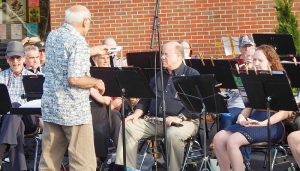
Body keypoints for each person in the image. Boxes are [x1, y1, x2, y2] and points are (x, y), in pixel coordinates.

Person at [39, 5, 107, 171]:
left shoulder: (53, 35)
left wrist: (93, 50)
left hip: (52, 107)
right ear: (85, 22)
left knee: (49, 163)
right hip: (74, 112)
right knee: (83, 164)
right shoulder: (78, 41)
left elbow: (65, 55)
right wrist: (96, 82)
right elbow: (75, 78)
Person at [114, 41, 200, 170]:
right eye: (162, 54)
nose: (162, 57)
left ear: (178, 55)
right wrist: (137, 113)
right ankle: (128, 168)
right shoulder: (159, 75)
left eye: (166, 54)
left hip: (185, 121)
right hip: (156, 121)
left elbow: (198, 104)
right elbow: (146, 99)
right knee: (127, 127)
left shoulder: (192, 74)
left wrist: (180, 117)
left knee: (173, 134)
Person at [214, 44, 292, 171]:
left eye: (260, 60)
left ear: (270, 62)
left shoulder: (281, 79)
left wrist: (263, 123)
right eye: (254, 59)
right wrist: (241, 116)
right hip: (254, 120)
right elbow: (249, 105)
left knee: (232, 141)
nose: (255, 63)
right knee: (218, 138)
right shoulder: (251, 78)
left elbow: (285, 113)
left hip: (273, 124)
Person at [0, 41, 41, 171]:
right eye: (12, 58)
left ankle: (0, 151)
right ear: (7, 59)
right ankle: (20, 168)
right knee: (15, 123)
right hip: (8, 121)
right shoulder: (1, 77)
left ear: (24, 59)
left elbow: (40, 106)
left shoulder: (35, 77)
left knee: (16, 106)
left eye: (18, 58)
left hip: (31, 119)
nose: (15, 61)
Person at [90, 53, 122, 167]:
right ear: (94, 59)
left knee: (114, 116)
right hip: (92, 109)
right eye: (102, 58)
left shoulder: (113, 75)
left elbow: (118, 101)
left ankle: (120, 155)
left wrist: (106, 108)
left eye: (107, 58)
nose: (105, 61)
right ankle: (97, 160)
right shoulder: (89, 75)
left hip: (109, 109)